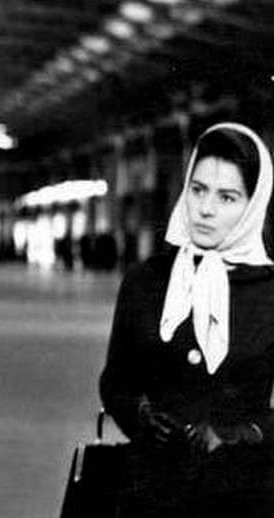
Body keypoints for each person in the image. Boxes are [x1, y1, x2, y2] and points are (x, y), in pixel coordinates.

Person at [99, 122, 274, 517]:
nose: (206, 209)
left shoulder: (268, 290)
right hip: (150, 493)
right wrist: (141, 416)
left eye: (227, 197)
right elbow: (115, 382)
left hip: (245, 497)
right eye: (198, 190)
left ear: (253, 205)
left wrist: (241, 435)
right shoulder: (145, 281)